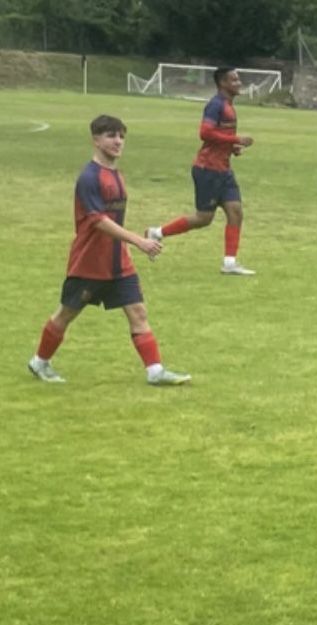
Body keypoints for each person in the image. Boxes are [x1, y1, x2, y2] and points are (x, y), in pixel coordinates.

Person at [27, 115, 190, 386]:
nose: (118, 141)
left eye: (121, 136)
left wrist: (128, 247)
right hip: (90, 262)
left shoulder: (116, 174)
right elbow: (99, 221)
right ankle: (39, 362)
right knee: (65, 314)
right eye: (111, 136)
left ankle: (155, 371)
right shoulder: (89, 177)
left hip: (118, 262)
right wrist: (138, 241)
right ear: (96, 139)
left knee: (138, 312)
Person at [146, 66, 256, 276]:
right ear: (223, 83)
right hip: (208, 169)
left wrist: (232, 148)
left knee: (236, 212)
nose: (238, 83)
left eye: (238, 79)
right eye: (234, 80)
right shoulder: (215, 105)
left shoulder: (229, 106)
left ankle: (230, 263)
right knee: (204, 218)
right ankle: (156, 232)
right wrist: (236, 139)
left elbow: (218, 136)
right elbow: (205, 133)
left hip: (224, 169)